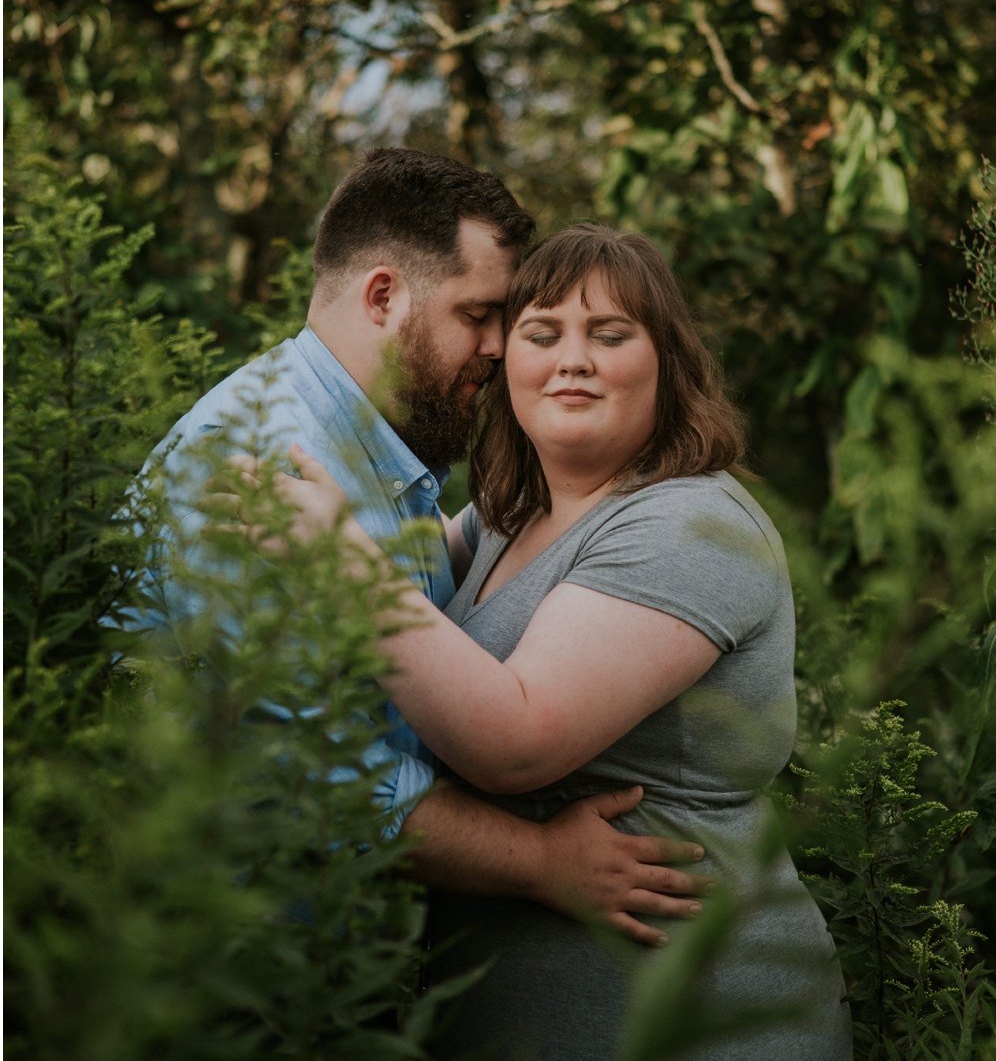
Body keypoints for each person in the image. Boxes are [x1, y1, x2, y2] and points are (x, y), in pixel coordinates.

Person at [257, 223, 858, 1061]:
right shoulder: (510, 508)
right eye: (542, 333)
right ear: (507, 363)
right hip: (524, 1039)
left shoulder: (691, 525)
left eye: (610, 334)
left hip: (684, 1035)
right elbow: (408, 592)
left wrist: (341, 562)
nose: (572, 359)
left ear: (668, 363)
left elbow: (516, 735)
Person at [146, 146, 710, 945]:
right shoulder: (263, 467)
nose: (497, 346)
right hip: (244, 987)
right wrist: (540, 859)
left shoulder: (374, 458)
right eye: (478, 314)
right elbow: (300, 770)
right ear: (384, 296)